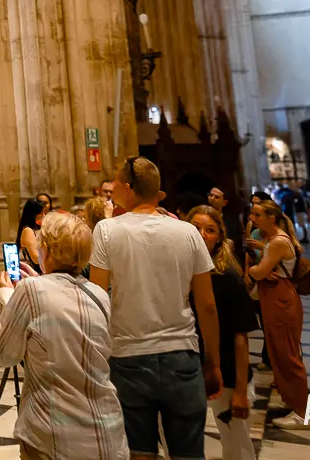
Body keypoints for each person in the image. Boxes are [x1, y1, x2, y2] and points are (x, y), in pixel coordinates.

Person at [89, 156, 221, 460]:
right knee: (189, 454)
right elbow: (207, 304)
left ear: (127, 188)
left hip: (128, 356)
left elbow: (98, 300)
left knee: (139, 454)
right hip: (181, 353)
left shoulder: (107, 231)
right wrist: (212, 363)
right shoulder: (188, 232)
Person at [0, 211, 129, 460]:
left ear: (46, 248)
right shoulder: (98, 294)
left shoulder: (30, 290)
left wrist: (7, 299)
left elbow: (5, 355)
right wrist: (41, 282)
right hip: (106, 433)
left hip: (55, 436)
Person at [187, 206, 258, 460]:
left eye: (210, 230)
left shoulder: (228, 277)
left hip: (229, 372)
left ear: (219, 237)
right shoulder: (182, 274)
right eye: (195, 228)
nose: (202, 234)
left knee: (236, 445)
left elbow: (241, 336)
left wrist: (240, 390)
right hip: (192, 367)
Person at [246, 199, 310, 427]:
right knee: (278, 351)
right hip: (275, 296)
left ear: (270, 217)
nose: (252, 219)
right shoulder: (272, 241)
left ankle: (302, 413)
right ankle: (292, 400)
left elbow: (258, 272)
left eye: (257, 215)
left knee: (288, 354)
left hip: (280, 298)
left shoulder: (276, 242)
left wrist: (254, 269)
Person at [18, 198, 49, 274]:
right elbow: (36, 258)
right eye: (41, 213)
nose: (44, 215)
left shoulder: (36, 229)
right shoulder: (28, 230)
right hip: (36, 273)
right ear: (34, 214)